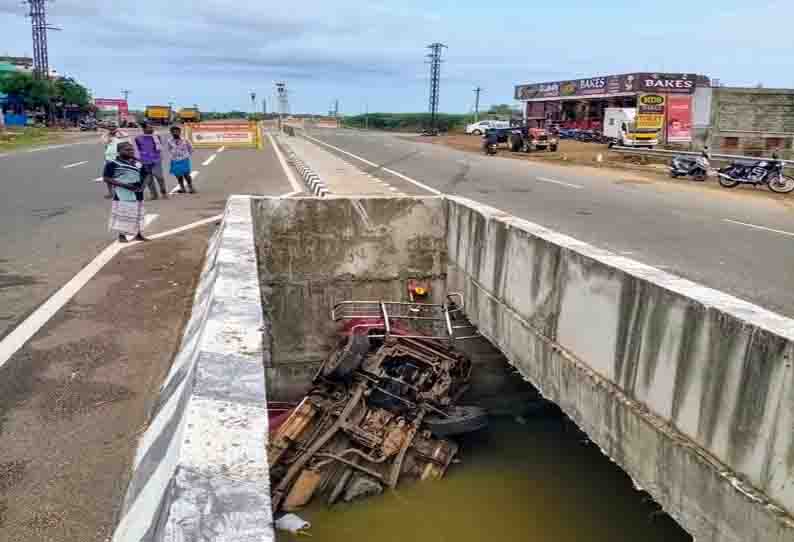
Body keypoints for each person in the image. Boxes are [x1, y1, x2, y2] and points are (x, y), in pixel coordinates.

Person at [103, 141, 148, 243]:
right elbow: (106, 178)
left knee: (138, 212)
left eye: (132, 150)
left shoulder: (137, 163)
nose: (131, 152)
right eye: (127, 150)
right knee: (123, 213)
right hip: (122, 192)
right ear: (119, 151)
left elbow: (146, 174)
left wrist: (143, 187)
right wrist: (125, 186)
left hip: (137, 191)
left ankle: (138, 234)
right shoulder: (113, 164)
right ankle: (122, 236)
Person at [134, 123, 168, 200]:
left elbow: (159, 147)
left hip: (156, 160)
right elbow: (138, 148)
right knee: (149, 179)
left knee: (159, 177)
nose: (152, 129)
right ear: (144, 129)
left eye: (152, 127)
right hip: (145, 161)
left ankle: (163, 192)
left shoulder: (157, 137)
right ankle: (154, 195)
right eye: (149, 128)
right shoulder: (138, 138)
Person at [101, 125, 128, 198]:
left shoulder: (122, 134)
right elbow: (105, 142)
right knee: (108, 177)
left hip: (120, 159)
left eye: (114, 127)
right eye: (110, 127)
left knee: (120, 177)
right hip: (109, 159)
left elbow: (125, 137)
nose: (112, 129)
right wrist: (108, 134)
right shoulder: (106, 136)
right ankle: (110, 193)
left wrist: (118, 132)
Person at [167, 126, 195, 193]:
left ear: (180, 132)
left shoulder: (185, 140)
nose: (175, 133)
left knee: (186, 175)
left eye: (177, 132)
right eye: (174, 132)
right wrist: (173, 155)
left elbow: (191, 148)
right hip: (174, 160)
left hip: (184, 159)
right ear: (171, 133)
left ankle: (191, 188)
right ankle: (182, 188)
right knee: (178, 175)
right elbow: (169, 149)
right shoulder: (169, 141)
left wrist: (186, 155)